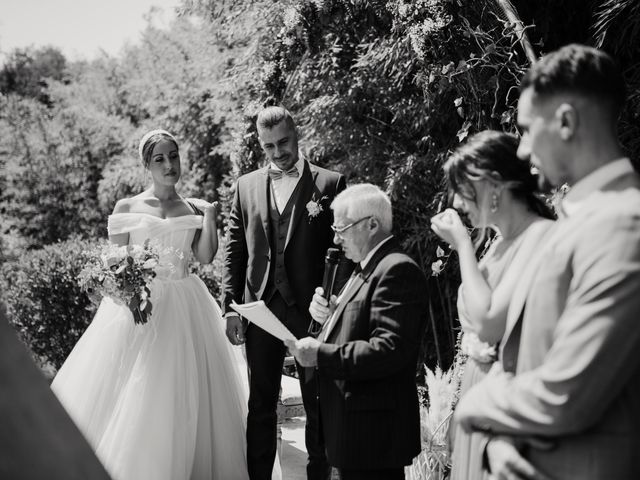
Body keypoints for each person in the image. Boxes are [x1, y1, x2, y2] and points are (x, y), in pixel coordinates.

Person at [454, 44, 640, 479]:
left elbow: (565, 394)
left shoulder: (623, 224)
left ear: (565, 122)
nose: (520, 151)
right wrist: (498, 443)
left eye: (526, 129)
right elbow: (529, 362)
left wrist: (477, 404)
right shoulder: (577, 219)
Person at [51, 129, 253, 480]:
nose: (169, 164)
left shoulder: (192, 207)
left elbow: (205, 257)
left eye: (173, 156)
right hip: (138, 309)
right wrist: (126, 288)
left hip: (186, 305)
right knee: (137, 392)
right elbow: (112, 264)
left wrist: (210, 217)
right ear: (147, 164)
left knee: (184, 391)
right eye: (159, 158)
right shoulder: (126, 207)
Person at [222, 104, 347, 480]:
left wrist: (333, 302)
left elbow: (343, 250)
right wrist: (231, 308)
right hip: (260, 309)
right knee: (260, 404)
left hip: (311, 313)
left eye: (284, 142)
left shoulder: (330, 184)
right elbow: (235, 249)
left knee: (317, 402)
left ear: (297, 133)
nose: (278, 153)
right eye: (269, 146)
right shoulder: (245, 186)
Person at [430, 130, 554, 480]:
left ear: (493, 184)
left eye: (462, 188)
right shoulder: (497, 244)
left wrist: (463, 246)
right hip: (476, 389)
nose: (456, 202)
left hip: (507, 400)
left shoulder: (540, 237)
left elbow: (488, 323)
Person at [286, 183, 428, 480]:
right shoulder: (364, 268)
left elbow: (388, 350)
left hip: (372, 434)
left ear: (372, 224)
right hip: (353, 431)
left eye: (342, 229)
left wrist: (320, 354)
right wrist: (327, 318)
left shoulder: (396, 269)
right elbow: (356, 330)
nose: (336, 239)